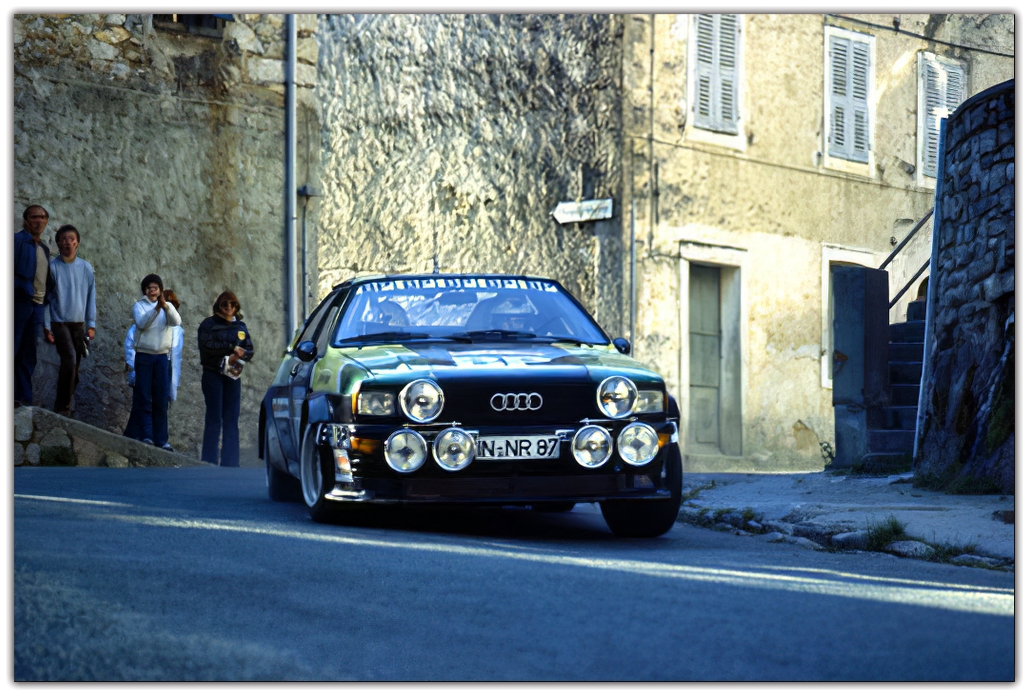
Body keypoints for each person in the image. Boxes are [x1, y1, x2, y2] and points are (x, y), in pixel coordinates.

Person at [43, 224, 96, 416]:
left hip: (79, 325)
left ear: (77, 243)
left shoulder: (86, 268)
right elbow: (46, 299)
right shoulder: (53, 267)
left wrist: (92, 325)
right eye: (63, 239)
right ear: (58, 243)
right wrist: (47, 325)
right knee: (70, 360)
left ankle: (66, 403)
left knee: (75, 367)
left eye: (71, 239)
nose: (67, 242)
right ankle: (62, 407)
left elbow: (91, 297)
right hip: (60, 323)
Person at [197, 291, 254, 467]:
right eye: (224, 304)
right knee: (214, 417)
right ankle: (209, 460)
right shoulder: (208, 324)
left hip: (233, 376)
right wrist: (231, 348)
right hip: (213, 373)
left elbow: (249, 350)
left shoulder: (241, 327)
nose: (229, 307)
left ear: (237, 307)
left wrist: (243, 354)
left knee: (232, 419)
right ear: (218, 306)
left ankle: (231, 463)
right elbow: (207, 347)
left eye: (232, 304)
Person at [127, 274, 181, 450]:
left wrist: (165, 307)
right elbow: (142, 323)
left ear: (160, 290)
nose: (152, 291)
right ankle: (146, 435)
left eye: (156, 288)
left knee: (160, 398)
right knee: (143, 396)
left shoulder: (168, 307)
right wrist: (156, 309)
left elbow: (176, 322)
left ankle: (162, 439)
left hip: (161, 357)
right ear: (145, 290)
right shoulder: (139, 306)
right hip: (144, 355)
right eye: (149, 288)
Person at [14, 204, 56, 408]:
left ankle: (24, 399)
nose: (39, 221)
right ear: (26, 220)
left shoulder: (44, 249)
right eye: (34, 217)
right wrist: (21, 288)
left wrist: (46, 296)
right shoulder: (16, 241)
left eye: (43, 217)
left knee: (29, 354)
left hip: (38, 307)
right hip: (18, 303)